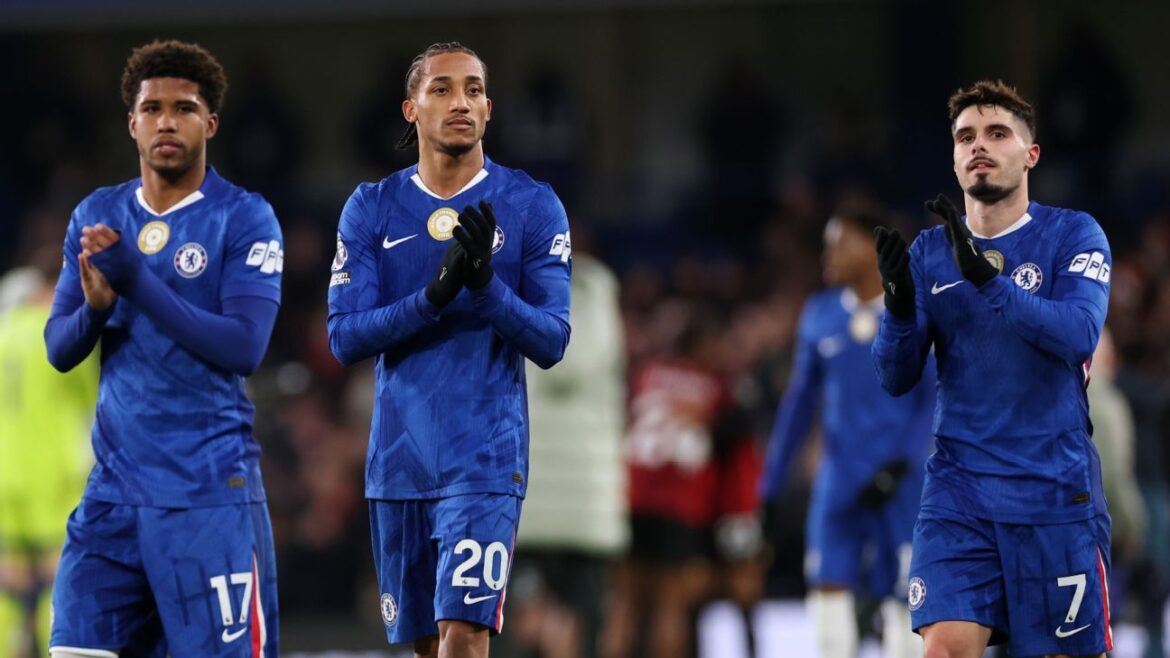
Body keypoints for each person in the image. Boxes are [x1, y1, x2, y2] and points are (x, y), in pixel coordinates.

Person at [326, 41, 571, 658]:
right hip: (398, 463)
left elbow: (552, 339)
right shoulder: (372, 207)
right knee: (427, 646)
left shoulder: (531, 204)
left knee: (463, 633)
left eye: (472, 90)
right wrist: (432, 298)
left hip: (485, 459)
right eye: (441, 89)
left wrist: (486, 287)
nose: (459, 101)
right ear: (411, 109)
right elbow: (344, 337)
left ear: (489, 109)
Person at [43, 40, 283, 657]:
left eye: (184, 108)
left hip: (208, 495)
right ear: (133, 123)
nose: (167, 122)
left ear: (211, 123)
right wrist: (97, 309)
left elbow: (244, 346)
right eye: (152, 109)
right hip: (113, 497)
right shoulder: (98, 214)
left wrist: (136, 282)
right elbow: (59, 348)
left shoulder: (244, 217)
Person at [872, 79, 1113, 658]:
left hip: (1053, 491)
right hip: (959, 493)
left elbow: (1077, 334)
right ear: (955, 159)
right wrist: (898, 309)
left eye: (998, 133)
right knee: (944, 650)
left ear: (1031, 154)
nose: (979, 144)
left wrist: (986, 279)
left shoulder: (1074, 233)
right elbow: (895, 378)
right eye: (966, 137)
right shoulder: (928, 253)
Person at [759, 199, 933, 658]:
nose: (827, 255)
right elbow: (798, 406)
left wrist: (903, 463)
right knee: (827, 594)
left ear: (872, 248)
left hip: (903, 483)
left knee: (905, 602)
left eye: (838, 244)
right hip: (838, 478)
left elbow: (934, 400)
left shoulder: (916, 311)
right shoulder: (820, 313)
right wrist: (770, 485)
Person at [602, 304, 764, 658]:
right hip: (678, 504)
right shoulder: (713, 386)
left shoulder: (647, 374)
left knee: (626, 602)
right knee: (670, 602)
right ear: (702, 345)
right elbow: (738, 432)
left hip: (632, 498)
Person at [499, 244, 627, 658]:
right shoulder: (598, 304)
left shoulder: (511, 297)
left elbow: (561, 363)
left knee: (519, 631)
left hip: (526, 501)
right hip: (582, 507)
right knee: (578, 629)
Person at [0, 247, 97, 658]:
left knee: (10, 585)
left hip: (6, 473)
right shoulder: (62, 333)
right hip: (53, 473)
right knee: (58, 579)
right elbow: (91, 401)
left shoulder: (5, 330)